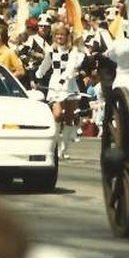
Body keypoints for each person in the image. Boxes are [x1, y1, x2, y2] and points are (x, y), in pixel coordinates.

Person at [35, 23, 86, 159]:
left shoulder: (73, 51)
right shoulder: (51, 50)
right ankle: (54, 146)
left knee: (70, 117)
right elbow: (45, 65)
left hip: (69, 84)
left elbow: (70, 67)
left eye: (62, 34)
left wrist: (64, 79)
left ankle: (64, 149)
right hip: (55, 82)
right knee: (57, 115)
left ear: (67, 36)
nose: (59, 37)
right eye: (57, 34)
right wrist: (38, 75)